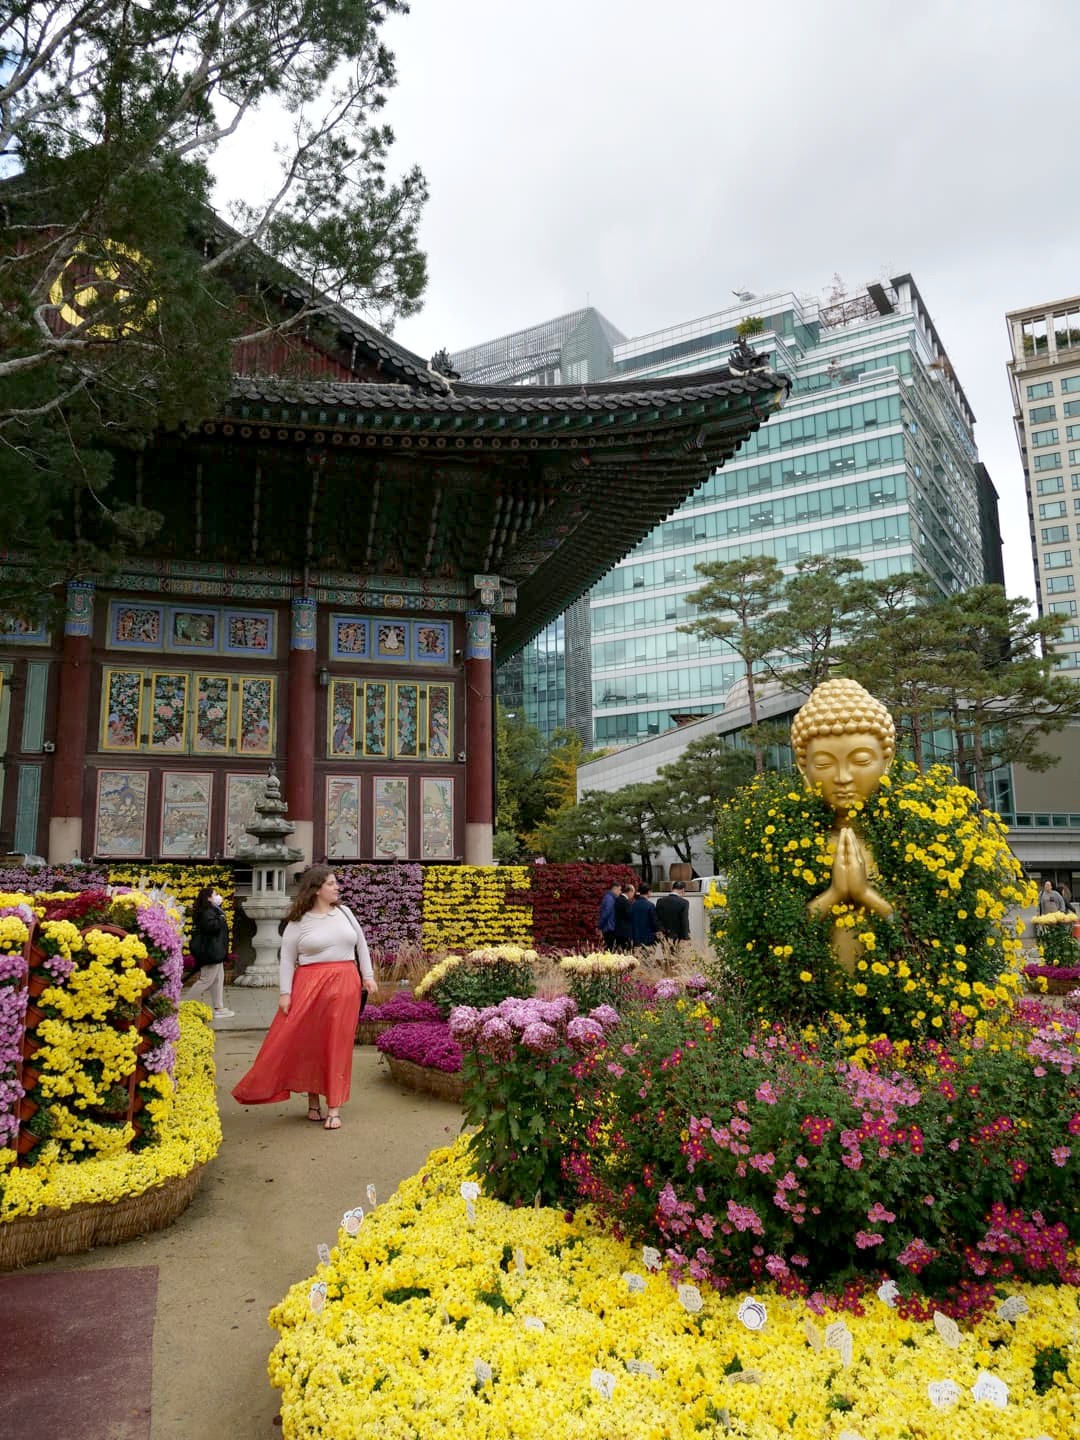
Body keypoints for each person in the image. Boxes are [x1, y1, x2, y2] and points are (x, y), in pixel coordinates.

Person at [232, 866, 378, 1131]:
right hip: (309, 985)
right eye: (331, 884)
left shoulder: (345, 913)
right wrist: (285, 993)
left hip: (346, 983)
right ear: (317, 889)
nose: (337, 887)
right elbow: (287, 960)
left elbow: (361, 945)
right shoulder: (299, 921)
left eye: (335, 883)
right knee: (311, 1043)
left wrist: (367, 976)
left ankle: (334, 1106)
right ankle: (313, 1103)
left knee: (338, 1043)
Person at [185, 885, 234, 1020]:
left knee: (218, 979)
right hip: (210, 951)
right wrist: (221, 918)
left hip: (215, 951)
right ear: (208, 898)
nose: (218, 896)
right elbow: (210, 927)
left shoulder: (212, 910)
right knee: (206, 980)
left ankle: (218, 1007)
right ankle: (183, 1005)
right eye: (215, 894)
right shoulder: (207, 911)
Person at [630, 883, 661, 951]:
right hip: (648, 938)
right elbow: (654, 922)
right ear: (649, 892)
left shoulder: (632, 905)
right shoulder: (650, 905)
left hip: (635, 937)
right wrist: (658, 931)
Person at [597, 880, 621, 951]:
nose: (620, 892)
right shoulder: (609, 899)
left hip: (609, 928)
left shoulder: (610, 898)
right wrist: (600, 927)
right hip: (609, 929)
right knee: (610, 950)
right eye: (619, 890)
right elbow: (605, 914)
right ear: (614, 888)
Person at [613, 883, 636, 952]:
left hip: (618, 930)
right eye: (633, 893)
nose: (633, 895)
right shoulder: (625, 902)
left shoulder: (618, 899)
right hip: (624, 932)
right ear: (630, 891)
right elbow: (629, 916)